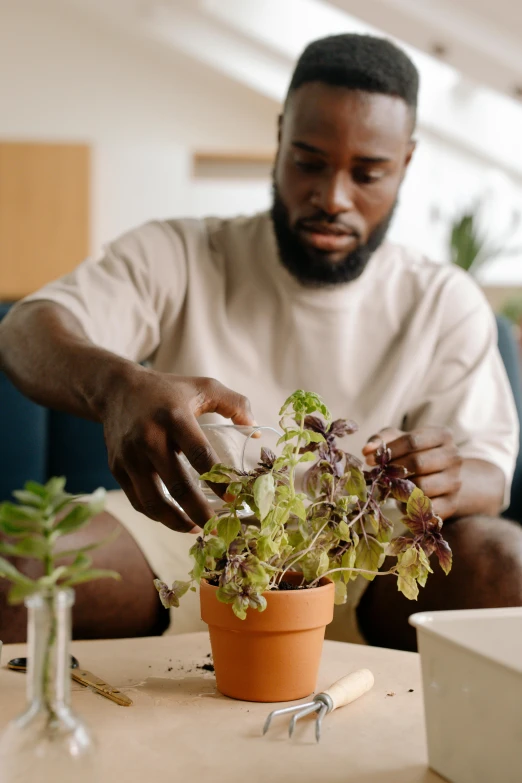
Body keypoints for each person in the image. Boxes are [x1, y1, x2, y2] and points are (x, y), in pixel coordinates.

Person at [1, 34, 521, 650]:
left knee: (504, 565)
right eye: (309, 161)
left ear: (405, 164)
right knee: (18, 572)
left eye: (368, 173)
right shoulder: (183, 253)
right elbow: (27, 329)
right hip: (186, 531)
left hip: (366, 554)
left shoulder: (444, 300)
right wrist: (118, 387)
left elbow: (491, 471)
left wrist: (449, 479)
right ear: (279, 139)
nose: (333, 198)